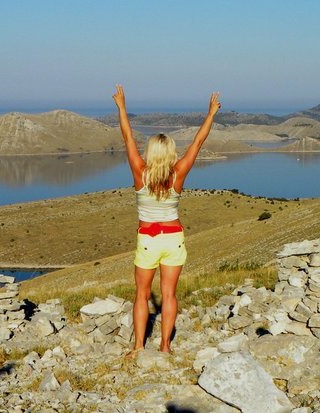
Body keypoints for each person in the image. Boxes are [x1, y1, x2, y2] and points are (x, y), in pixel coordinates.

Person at [112, 85, 221, 355]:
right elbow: (198, 142)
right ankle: (165, 347)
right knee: (169, 295)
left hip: (147, 239)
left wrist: (122, 108)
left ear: (150, 153)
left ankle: (138, 346)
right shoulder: (178, 173)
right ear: (171, 153)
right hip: (174, 239)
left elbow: (127, 138)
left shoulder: (140, 172)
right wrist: (210, 114)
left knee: (142, 295)